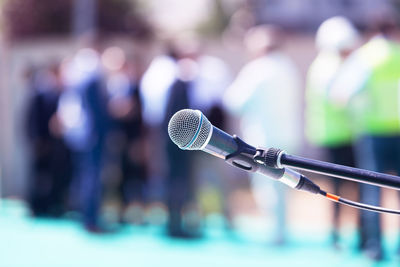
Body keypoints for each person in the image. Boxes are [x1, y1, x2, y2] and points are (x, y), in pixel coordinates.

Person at [224, 25, 302, 244]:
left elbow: (234, 102)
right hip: (288, 135)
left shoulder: (256, 69)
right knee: (285, 184)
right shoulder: (288, 66)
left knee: (267, 187)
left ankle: (275, 232)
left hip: (263, 139)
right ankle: (281, 230)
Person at [330, 18, 400, 260]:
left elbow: (341, 95)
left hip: (373, 132)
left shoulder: (366, 57)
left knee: (373, 190)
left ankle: (375, 247)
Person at [305, 16, 360, 247]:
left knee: (338, 189)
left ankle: (338, 233)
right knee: (350, 188)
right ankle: (349, 233)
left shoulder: (321, 64)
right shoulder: (332, 66)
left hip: (331, 134)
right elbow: (341, 99)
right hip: (343, 135)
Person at [58, 47, 110, 232]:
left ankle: (85, 216)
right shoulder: (91, 82)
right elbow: (97, 113)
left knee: (84, 175)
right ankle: (90, 219)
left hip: (82, 135)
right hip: (92, 136)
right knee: (92, 177)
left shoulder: (77, 82)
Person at [25, 64, 72, 217]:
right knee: (39, 177)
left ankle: (53, 204)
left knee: (57, 176)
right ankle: (36, 206)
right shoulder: (39, 95)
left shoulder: (61, 95)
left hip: (56, 145)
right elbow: (32, 120)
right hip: (42, 143)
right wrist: (37, 140)